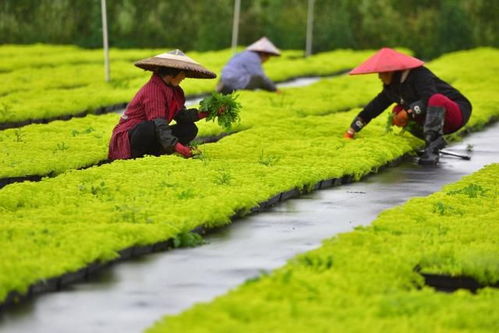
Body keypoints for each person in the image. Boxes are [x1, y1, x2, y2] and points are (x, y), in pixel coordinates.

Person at [343, 48, 472, 165]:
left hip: (456, 113)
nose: (379, 77)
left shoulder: (420, 74)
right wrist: (351, 131)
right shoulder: (391, 88)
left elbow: (429, 98)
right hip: (435, 120)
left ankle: (433, 147)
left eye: (381, 73)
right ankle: (432, 142)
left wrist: (408, 112)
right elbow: (372, 109)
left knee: (435, 99)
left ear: (391, 71)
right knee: (397, 111)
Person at [108, 49, 218, 161]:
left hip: (152, 133)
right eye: (182, 73)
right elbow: (159, 124)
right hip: (130, 138)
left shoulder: (175, 90)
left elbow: (181, 116)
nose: (184, 77)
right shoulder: (153, 90)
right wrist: (179, 148)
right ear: (172, 73)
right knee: (149, 127)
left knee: (189, 128)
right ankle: (138, 157)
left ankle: (155, 152)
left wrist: (207, 112)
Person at [217, 37, 281, 94]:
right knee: (259, 78)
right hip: (234, 84)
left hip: (223, 82)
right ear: (263, 53)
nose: (268, 59)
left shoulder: (243, 54)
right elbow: (260, 76)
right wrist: (275, 89)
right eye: (268, 56)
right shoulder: (253, 57)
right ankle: (275, 92)